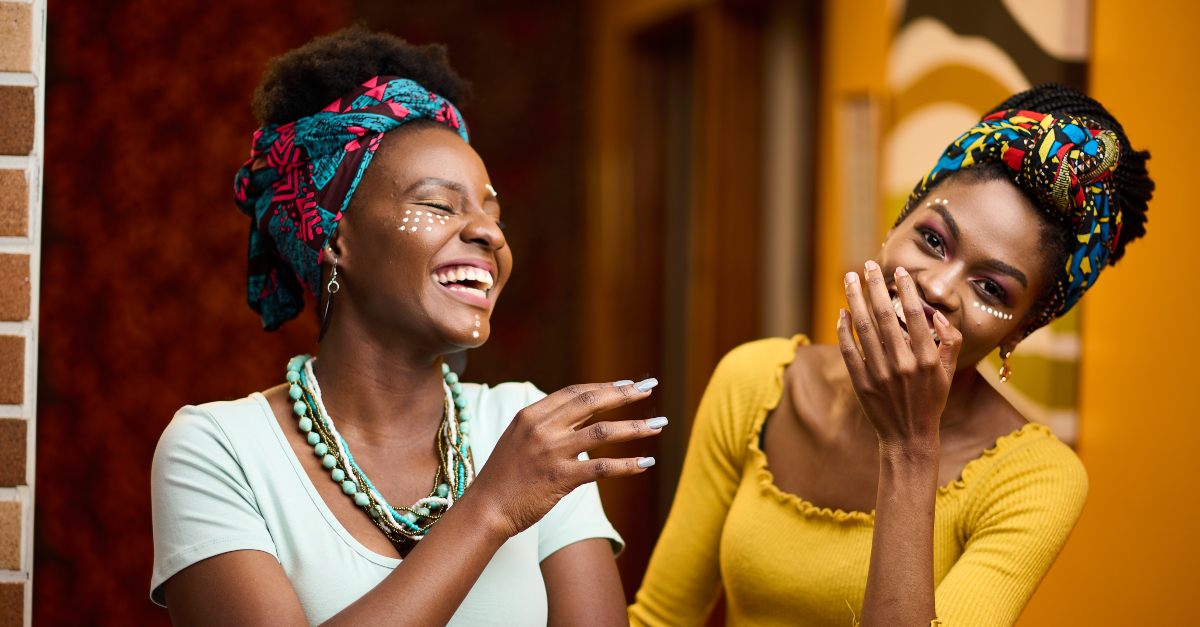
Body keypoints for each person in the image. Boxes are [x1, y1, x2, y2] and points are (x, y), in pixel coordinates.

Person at [151, 27, 666, 627]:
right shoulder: (220, 450)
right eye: (439, 204)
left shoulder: (528, 429)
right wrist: (492, 506)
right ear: (334, 238)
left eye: (490, 210)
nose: (489, 233)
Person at [629, 84, 1154, 627]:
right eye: (932, 240)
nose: (939, 289)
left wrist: (909, 445)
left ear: (1018, 332)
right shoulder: (756, 383)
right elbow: (661, 618)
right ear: (895, 226)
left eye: (991, 289)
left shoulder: (1035, 480)